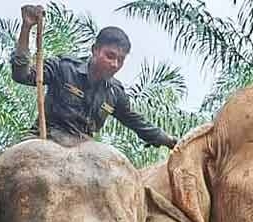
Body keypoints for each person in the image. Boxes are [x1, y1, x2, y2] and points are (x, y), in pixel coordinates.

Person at [11, 5, 178, 149]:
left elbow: (134, 121)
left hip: (85, 152)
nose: (115, 64)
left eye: (121, 60)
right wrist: (26, 27)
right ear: (95, 50)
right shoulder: (63, 67)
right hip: (46, 140)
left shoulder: (115, 93)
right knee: (4, 165)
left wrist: (168, 141)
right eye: (110, 56)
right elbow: (22, 75)